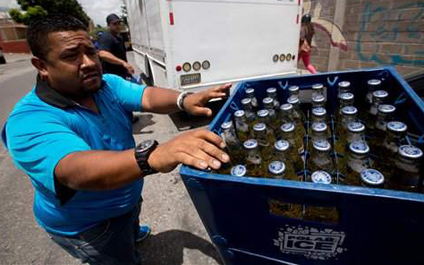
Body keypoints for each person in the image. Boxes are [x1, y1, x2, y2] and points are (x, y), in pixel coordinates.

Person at [1, 15, 230, 265]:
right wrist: (152, 156)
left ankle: (131, 230)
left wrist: (183, 100)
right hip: (91, 227)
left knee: (130, 221)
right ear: (42, 65)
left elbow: (146, 95)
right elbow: (76, 170)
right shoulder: (28, 121)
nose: (88, 63)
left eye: (91, 51)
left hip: (126, 197)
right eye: (71, 56)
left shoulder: (105, 85)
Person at [98, 13, 134, 79]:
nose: (117, 26)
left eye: (118, 23)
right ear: (108, 25)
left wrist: (126, 68)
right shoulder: (106, 36)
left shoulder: (119, 37)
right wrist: (123, 63)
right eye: (114, 24)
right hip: (112, 76)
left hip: (121, 74)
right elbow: (103, 54)